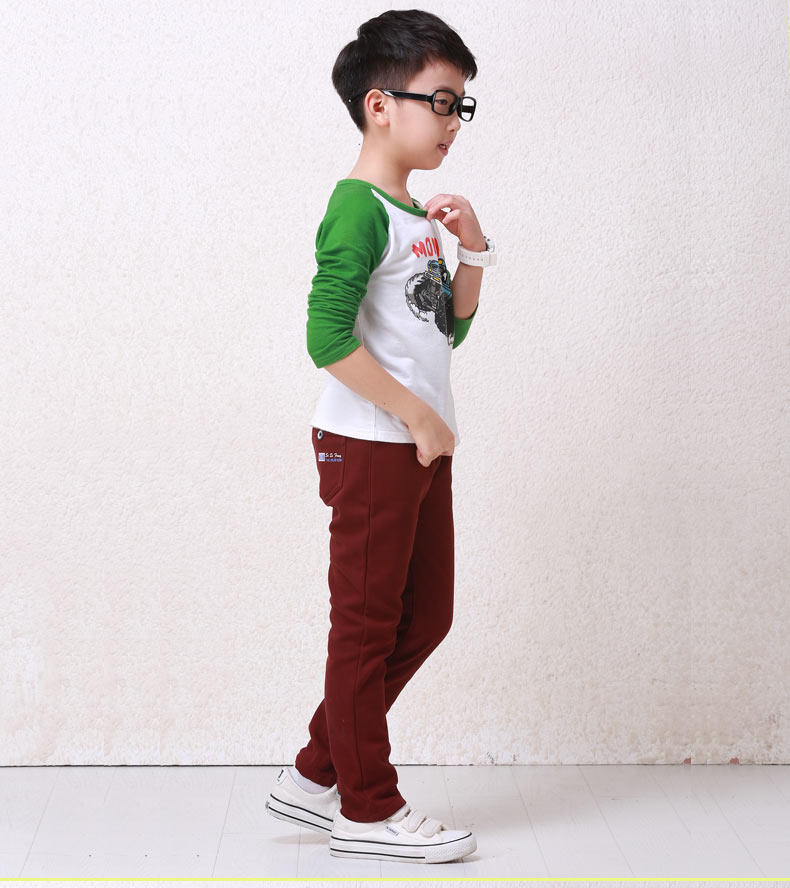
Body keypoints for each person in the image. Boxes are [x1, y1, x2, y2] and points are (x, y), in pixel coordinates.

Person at [265, 9, 496, 865]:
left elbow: (448, 331)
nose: (452, 121)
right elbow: (327, 339)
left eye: (461, 105)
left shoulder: (414, 215)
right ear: (379, 105)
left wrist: (471, 251)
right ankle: (366, 808)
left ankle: (314, 772)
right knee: (364, 630)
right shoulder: (355, 207)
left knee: (426, 616)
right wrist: (415, 414)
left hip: (418, 444)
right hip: (372, 443)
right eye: (441, 101)